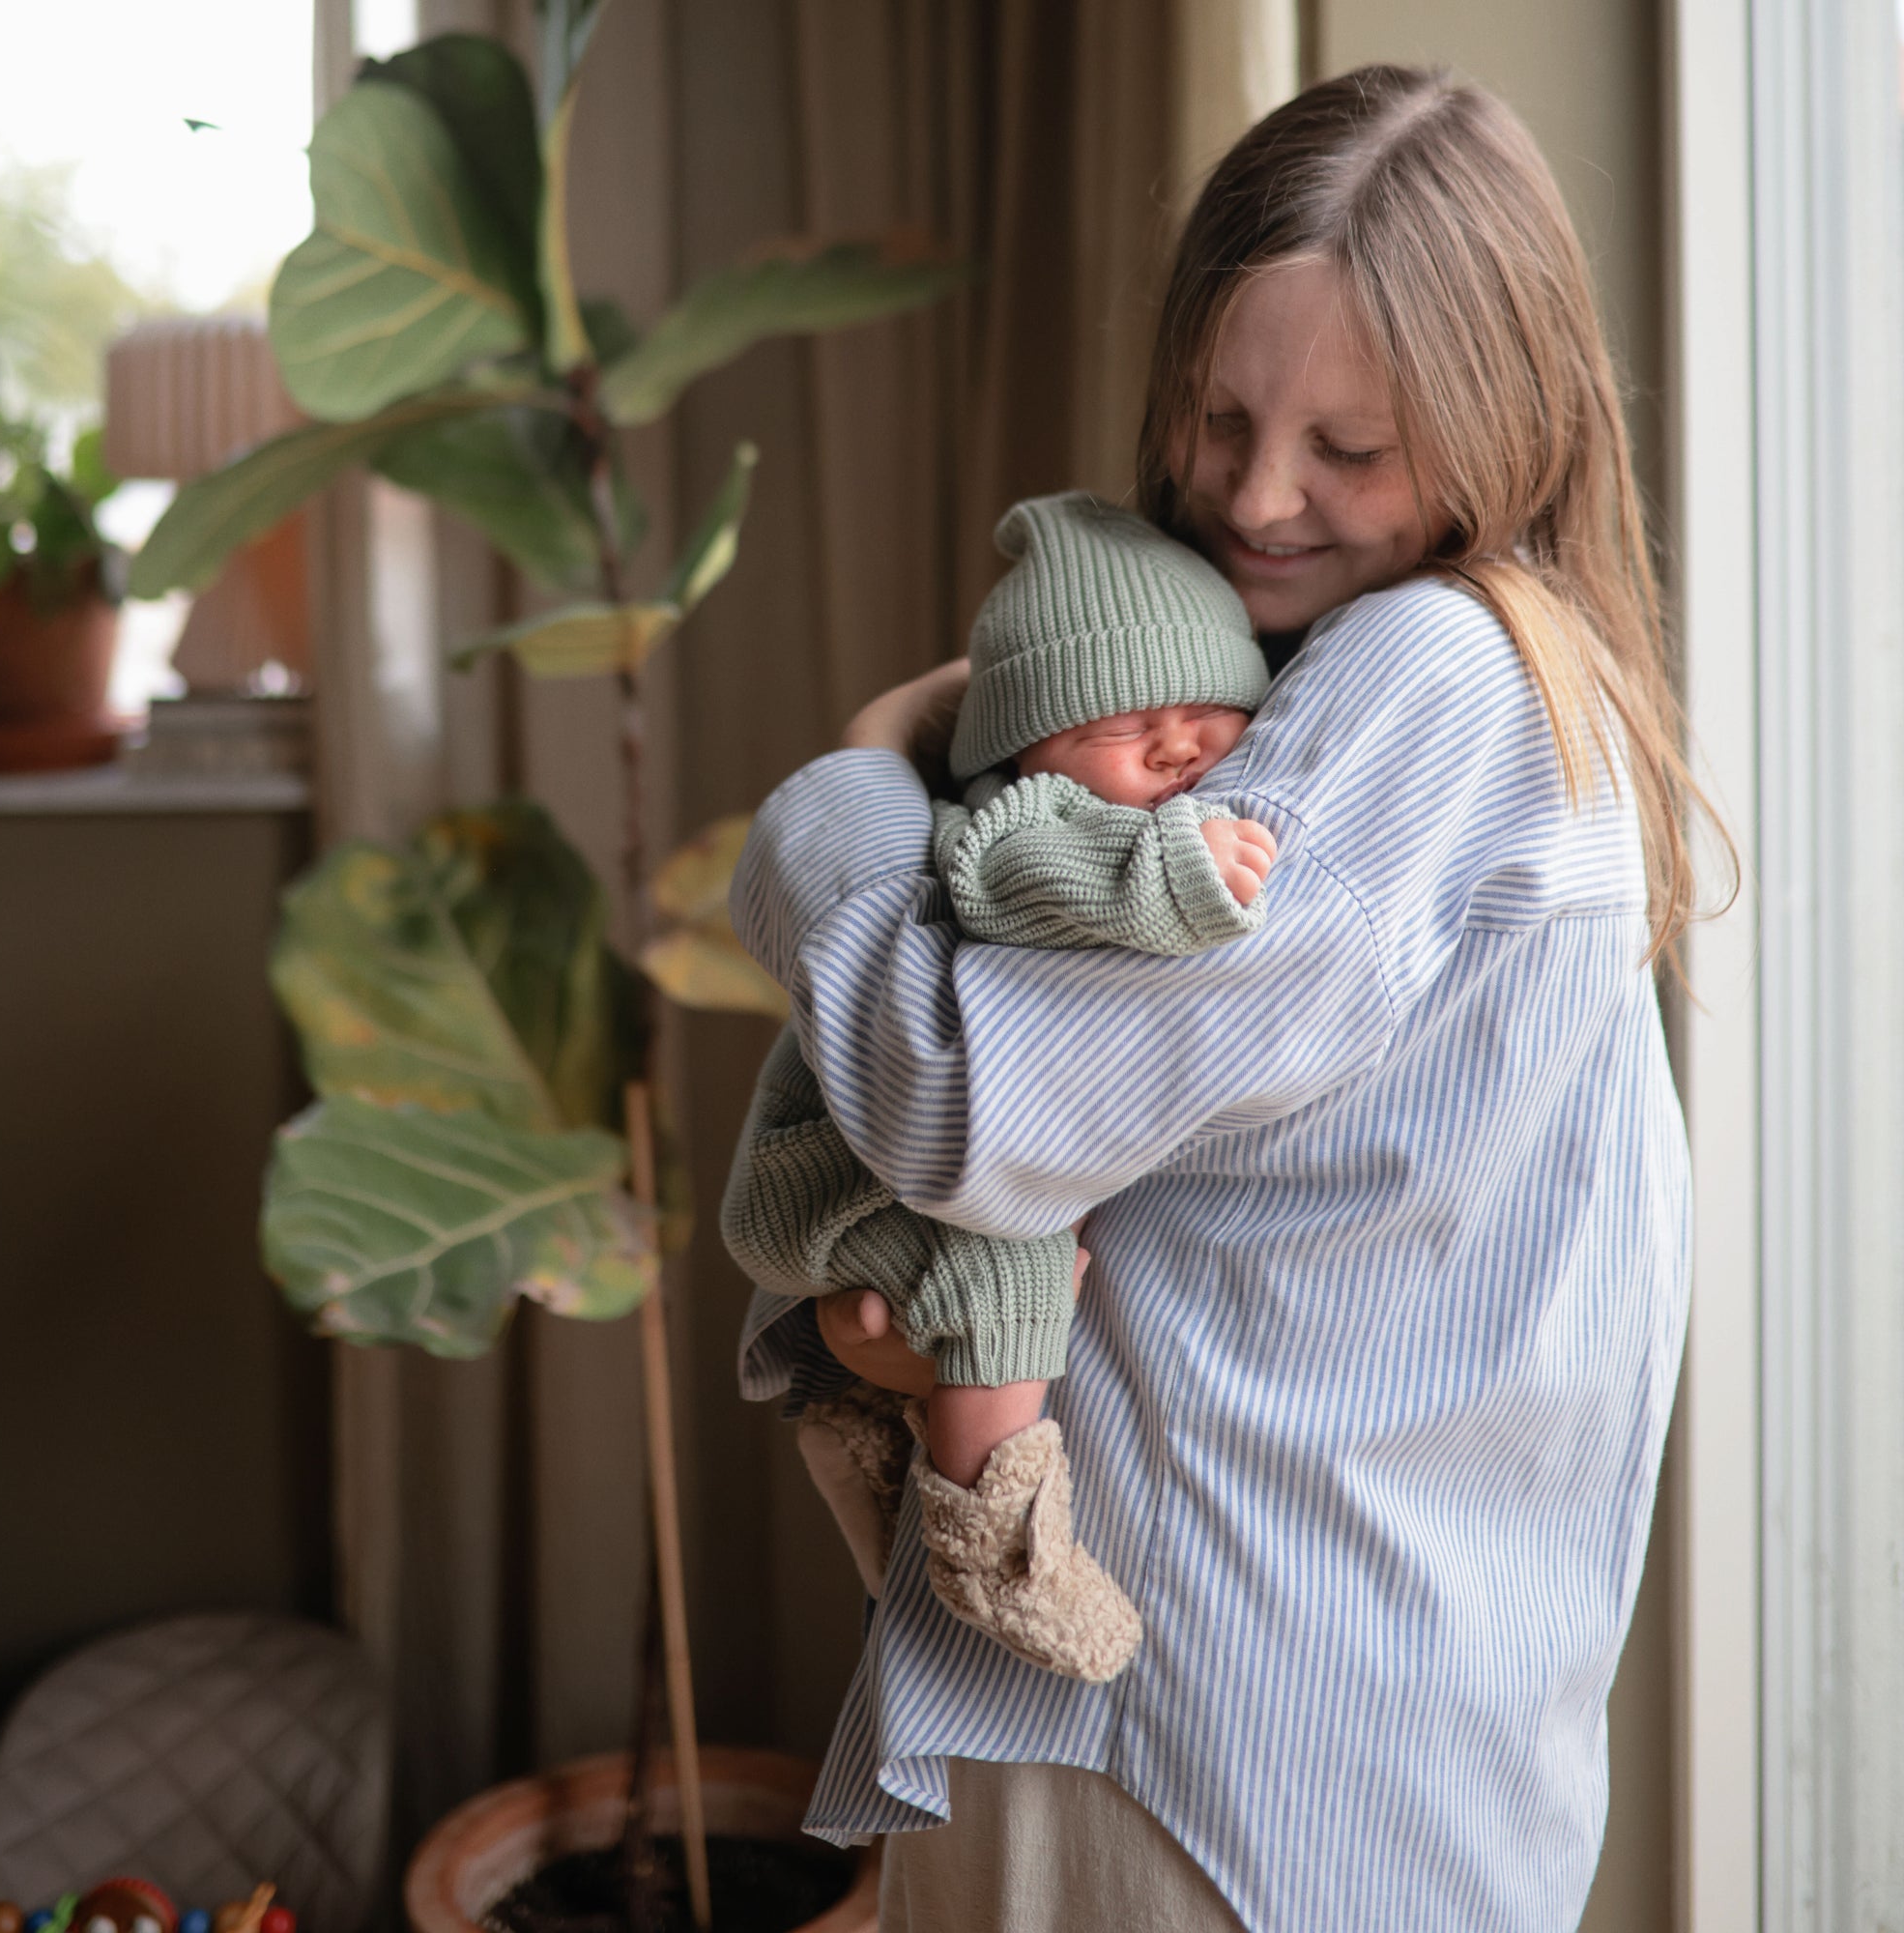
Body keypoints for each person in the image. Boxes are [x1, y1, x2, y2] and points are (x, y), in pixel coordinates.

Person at [733, 63, 1723, 1933]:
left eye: (1350, 448)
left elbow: (960, 1099)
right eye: (1222, 417)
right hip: (1323, 1731)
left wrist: (853, 784)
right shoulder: (1516, 686)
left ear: (1505, 427)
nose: (1260, 497)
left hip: (1217, 1738)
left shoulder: (1429, 678)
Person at [722, 491, 1278, 1683]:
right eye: (1126, 723)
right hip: (831, 1173)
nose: (1179, 745)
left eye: (1209, 713)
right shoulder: (1014, 823)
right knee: (1010, 1253)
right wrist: (1170, 866)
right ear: (1026, 748)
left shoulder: (1113, 786)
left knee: (983, 1270)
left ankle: (883, 1451)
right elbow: (1015, 881)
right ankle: (995, 1543)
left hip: (879, 1182)